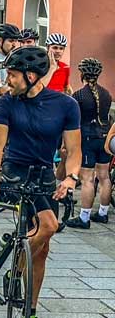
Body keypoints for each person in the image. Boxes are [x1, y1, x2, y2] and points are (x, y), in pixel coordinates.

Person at [0, 46, 81, 318]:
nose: (7, 81)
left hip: (44, 176)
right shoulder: (6, 103)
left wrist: (71, 177)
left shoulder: (65, 105)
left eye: (12, 75)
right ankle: (15, 267)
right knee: (48, 225)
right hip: (15, 172)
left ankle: (31, 309)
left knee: (43, 248)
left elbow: (74, 150)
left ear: (31, 75)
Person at [66, 58, 112, 229]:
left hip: (87, 138)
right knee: (104, 176)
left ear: (82, 74)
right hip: (105, 138)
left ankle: (84, 218)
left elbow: (73, 121)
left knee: (87, 179)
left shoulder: (78, 96)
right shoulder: (107, 94)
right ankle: (102, 213)